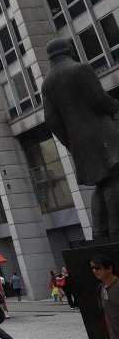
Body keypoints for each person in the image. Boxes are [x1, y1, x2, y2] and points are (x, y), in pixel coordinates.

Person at [41, 37, 119, 241]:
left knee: (101, 184)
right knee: (114, 178)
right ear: (68, 51)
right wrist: (115, 106)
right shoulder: (80, 69)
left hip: (78, 141)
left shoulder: (47, 83)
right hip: (102, 133)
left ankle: (100, 231)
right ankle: (116, 229)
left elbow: (51, 120)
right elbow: (98, 99)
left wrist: (70, 141)